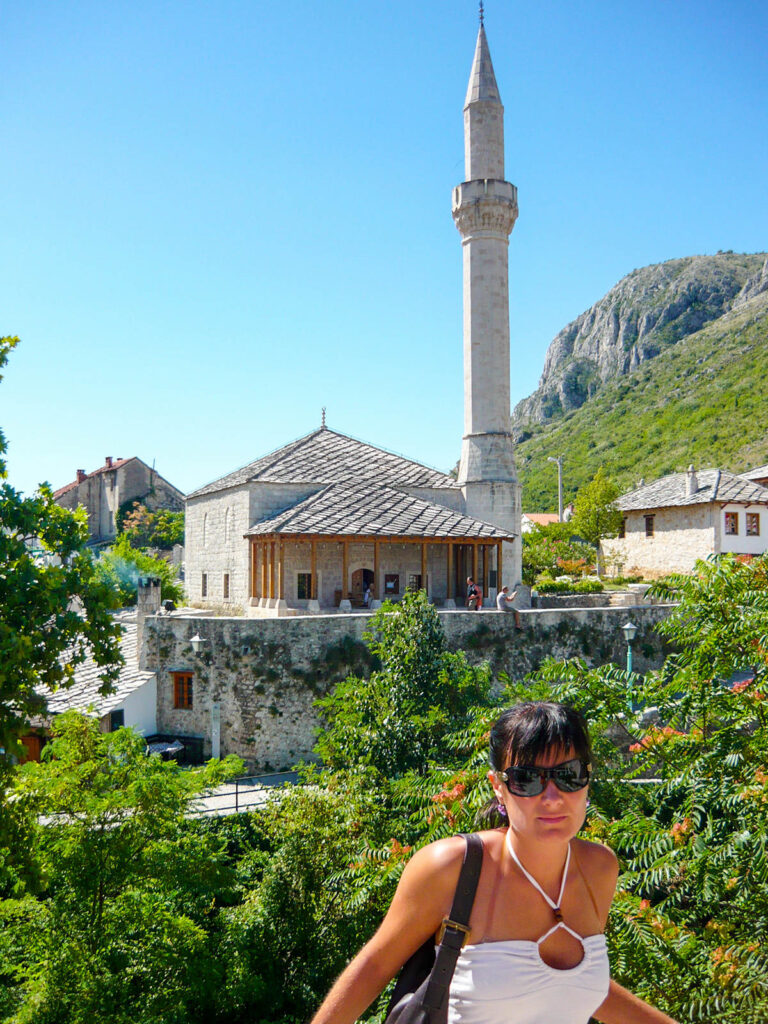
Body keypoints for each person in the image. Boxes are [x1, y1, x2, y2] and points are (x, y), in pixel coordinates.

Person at [310, 701, 679, 1024]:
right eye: (526, 779)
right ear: (497, 786)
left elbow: (570, 987)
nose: (552, 797)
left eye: (568, 776)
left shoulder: (598, 868)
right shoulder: (452, 867)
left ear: (588, 779)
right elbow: (373, 969)